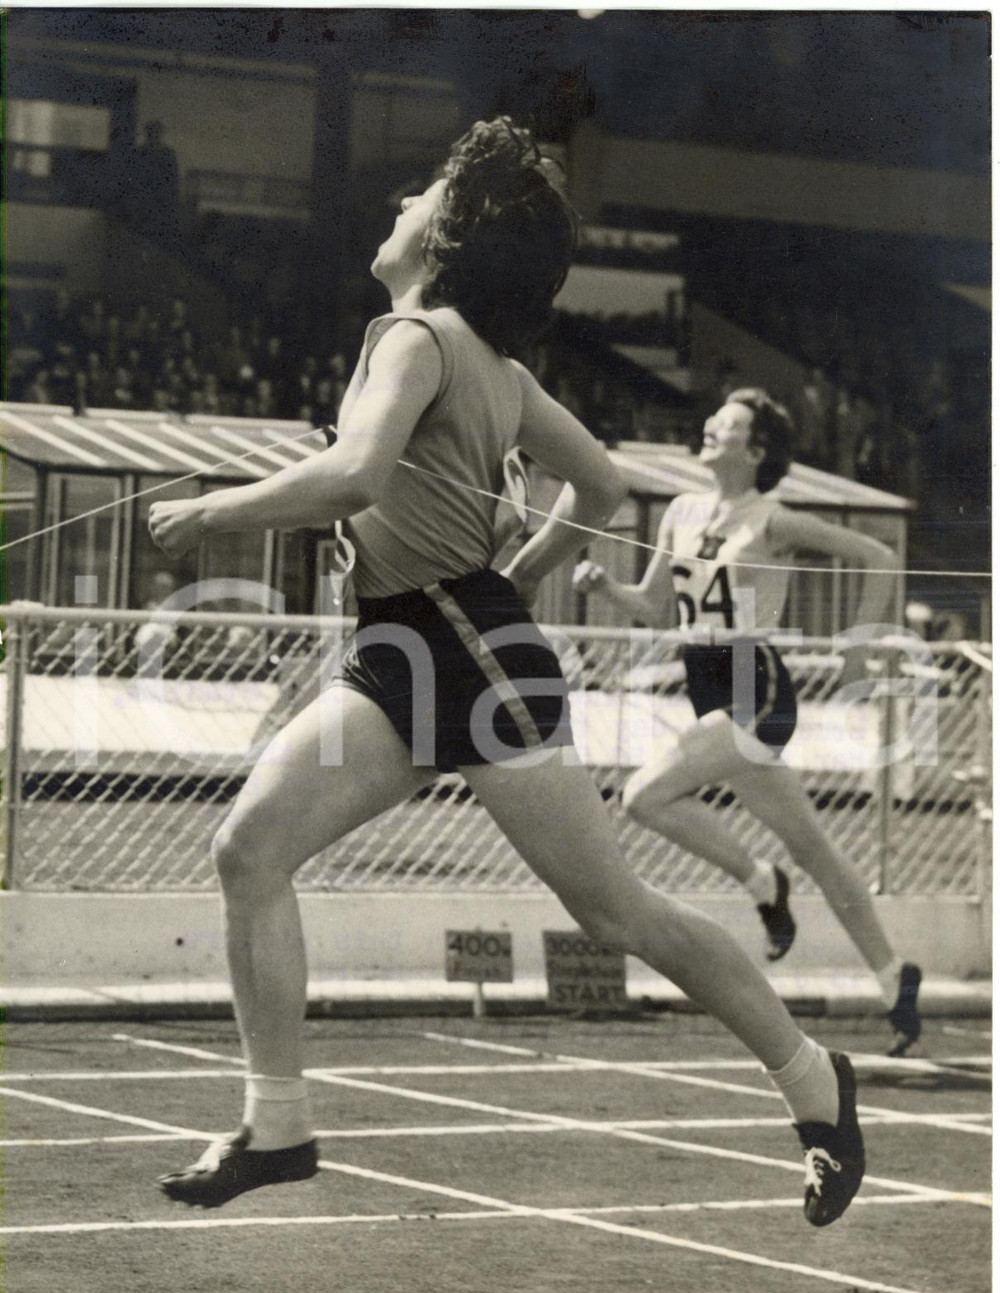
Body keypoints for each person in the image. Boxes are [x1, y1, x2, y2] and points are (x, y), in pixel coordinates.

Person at [148, 119, 864, 1224]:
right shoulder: (493, 364)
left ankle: (817, 1085)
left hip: (463, 652)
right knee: (248, 846)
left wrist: (209, 509)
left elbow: (352, 477)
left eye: (415, 198)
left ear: (443, 238)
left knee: (617, 910)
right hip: (404, 648)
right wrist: (519, 577)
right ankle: (278, 1122)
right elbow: (605, 485)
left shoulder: (415, 337)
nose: (395, 210)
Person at [574, 387, 922, 1057]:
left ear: (755, 451)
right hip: (707, 687)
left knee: (645, 795)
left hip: (755, 690)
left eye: (726, 425)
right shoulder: (679, 510)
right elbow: (656, 609)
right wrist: (604, 588)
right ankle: (893, 978)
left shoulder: (774, 518)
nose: (709, 427)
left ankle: (763, 882)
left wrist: (856, 654)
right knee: (813, 843)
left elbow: (879, 557)